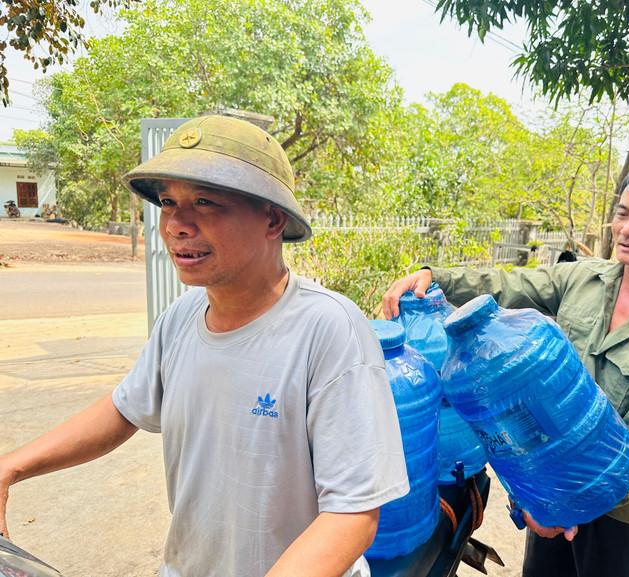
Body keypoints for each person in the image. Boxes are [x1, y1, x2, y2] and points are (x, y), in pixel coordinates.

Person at [0, 115, 409, 577]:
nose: (176, 224)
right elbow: (123, 410)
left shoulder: (329, 329)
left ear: (272, 218)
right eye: (169, 203)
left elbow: (353, 514)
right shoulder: (181, 318)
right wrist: (10, 467)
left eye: (206, 202)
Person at [382, 156, 629, 577]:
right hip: (547, 497)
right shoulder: (583, 280)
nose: (627, 229)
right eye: (622, 214)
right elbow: (508, 285)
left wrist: (564, 507)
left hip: (622, 514)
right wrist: (435, 275)